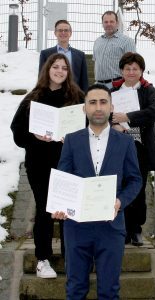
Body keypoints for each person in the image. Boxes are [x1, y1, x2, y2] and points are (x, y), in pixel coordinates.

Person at [52, 84, 142, 299]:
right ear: (84, 108)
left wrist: (121, 201)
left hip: (111, 227)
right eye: (92, 102)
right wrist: (60, 206)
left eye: (103, 102)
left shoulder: (126, 142)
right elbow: (63, 179)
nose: (98, 107)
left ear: (112, 107)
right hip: (76, 228)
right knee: (75, 289)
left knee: (109, 291)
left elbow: (135, 180)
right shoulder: (72, 140)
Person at [10, 53, 84, 279]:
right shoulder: (33, 98)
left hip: (67, 163)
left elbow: (88, 130)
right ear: (47, 69)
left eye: (64, 68)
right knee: (44, 208)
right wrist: (35, 136)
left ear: (68, 72)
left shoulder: (77, 97)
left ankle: (71, 257)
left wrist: (71, 138)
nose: (60, 71)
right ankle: (43, 260)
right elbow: (17, 133)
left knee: (67, 210)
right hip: (39, 163)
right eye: (55, 67)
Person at [111, 52, 155, 246]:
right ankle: (121, 228)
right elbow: (103, 114)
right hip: (118, 146)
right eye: (127, 68)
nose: (131, 72)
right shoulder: (112, 91)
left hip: (140, 147)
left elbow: (154, 112)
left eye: (135, 69)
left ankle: (136, 229)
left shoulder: (148, 90)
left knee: (138, 188)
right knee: (120, 186)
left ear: (141, 70)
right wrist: (114, 122)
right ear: (122, 71)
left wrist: (128, 117)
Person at [39, 19, 88, 92]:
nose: (63, 32)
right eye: (60, 30)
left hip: (74, 95)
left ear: (70, 33)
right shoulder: (45, 54)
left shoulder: (80, 55)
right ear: (55, 33)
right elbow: (41, 78)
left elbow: (84, 81)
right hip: (52, 94)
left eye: (66, 30)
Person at [93, 11, 136, 89]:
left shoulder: (127, 41)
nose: (108, 24)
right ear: (102, 24)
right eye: (106, 22)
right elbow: (96, 63)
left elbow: (133, 66)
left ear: (117, 23)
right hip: (98, 86)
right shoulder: (97, 41)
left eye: (111, 21)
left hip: (117, 86)